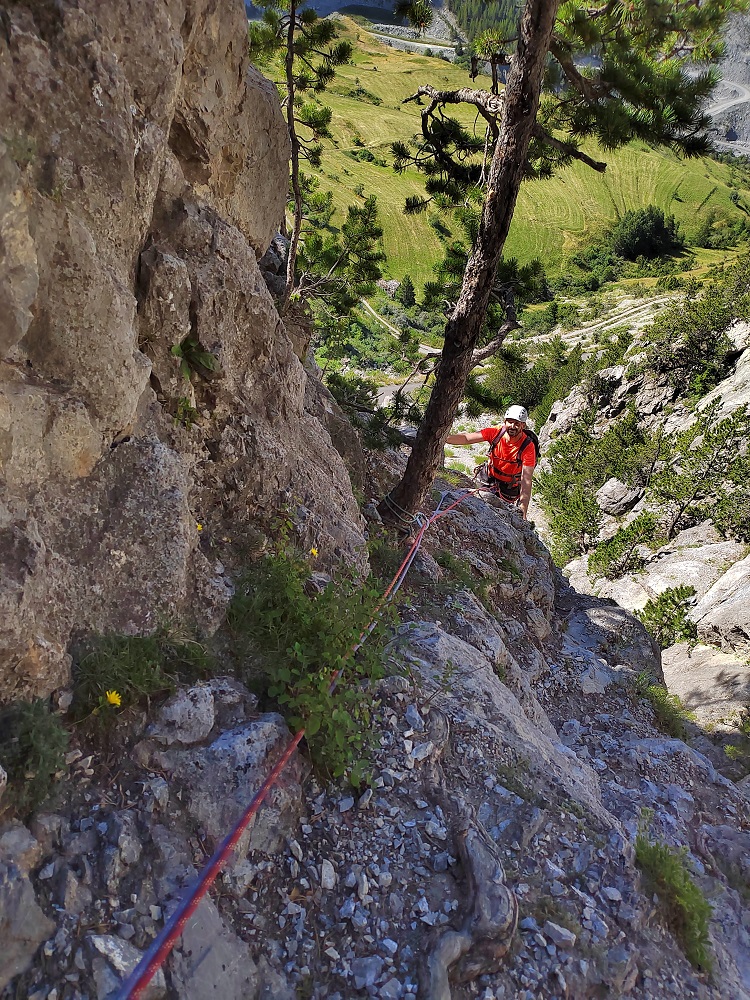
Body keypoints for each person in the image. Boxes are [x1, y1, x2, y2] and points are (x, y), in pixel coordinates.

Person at [445, 405, 537, 518]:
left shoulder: (527, 446)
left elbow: (526, 480)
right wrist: (444, 438)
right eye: (510, 422)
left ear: (523, 425)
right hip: (488, 477)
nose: (513, 426)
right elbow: (467, 438)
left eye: (517, 423)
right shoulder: (496, 433)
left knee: (500, 515)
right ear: (505, 422)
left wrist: (523, 509)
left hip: (509, 487)